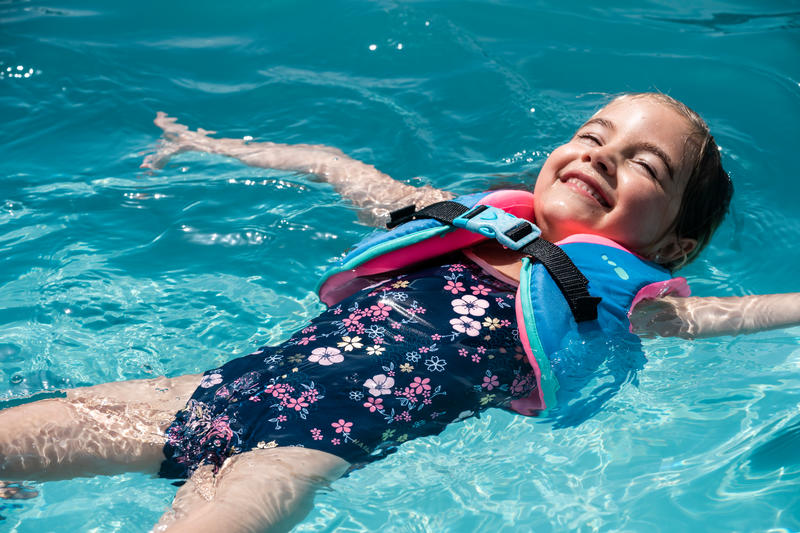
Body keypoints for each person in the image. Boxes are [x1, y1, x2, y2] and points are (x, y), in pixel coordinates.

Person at [1, 93, 798, 532]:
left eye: (642, 163)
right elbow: (338, 168)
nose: (601, 155)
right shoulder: (449, 219)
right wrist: (210, 144)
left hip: (300, 449)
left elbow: (730, 317)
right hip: (215, 388)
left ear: (673, 247)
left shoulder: (618, 305)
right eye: (595, 134)